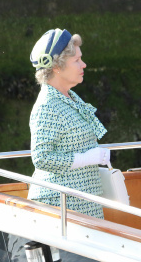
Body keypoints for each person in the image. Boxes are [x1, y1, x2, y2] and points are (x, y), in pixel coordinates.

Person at [27, 28, 110, 218]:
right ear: (57, 66)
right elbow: (42, 157)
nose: (84, 64)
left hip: (82, 203)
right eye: (77, 60)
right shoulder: (48, 105)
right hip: (61, 208)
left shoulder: (69, 96)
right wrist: (87, 158)